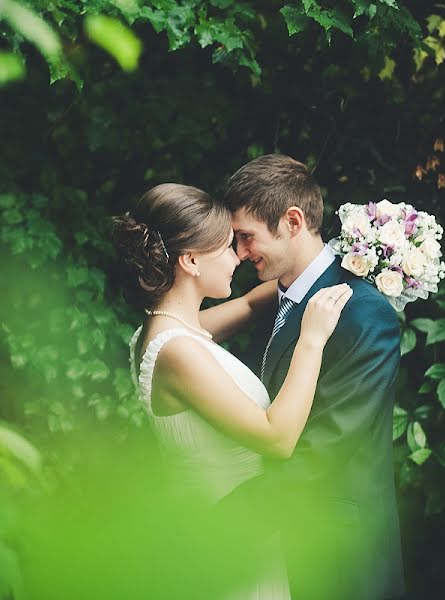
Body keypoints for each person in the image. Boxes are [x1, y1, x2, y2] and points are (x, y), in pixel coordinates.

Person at [112, 182, 352, 599]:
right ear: (189, 260)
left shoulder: (166, 328)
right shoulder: (177, 352)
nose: (238, 256)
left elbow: (249, 305)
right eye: (225, 247)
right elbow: (277, 439)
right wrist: (311, 341)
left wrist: (323, 261)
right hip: (224, 541)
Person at [221, 154, 406, 599]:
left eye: (247, 238)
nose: (241, 254)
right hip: (285, 543)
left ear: (292, 220)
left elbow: (326, 445)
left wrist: (222, 519)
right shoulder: (276, 298)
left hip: (339, 555)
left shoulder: (362, 313)